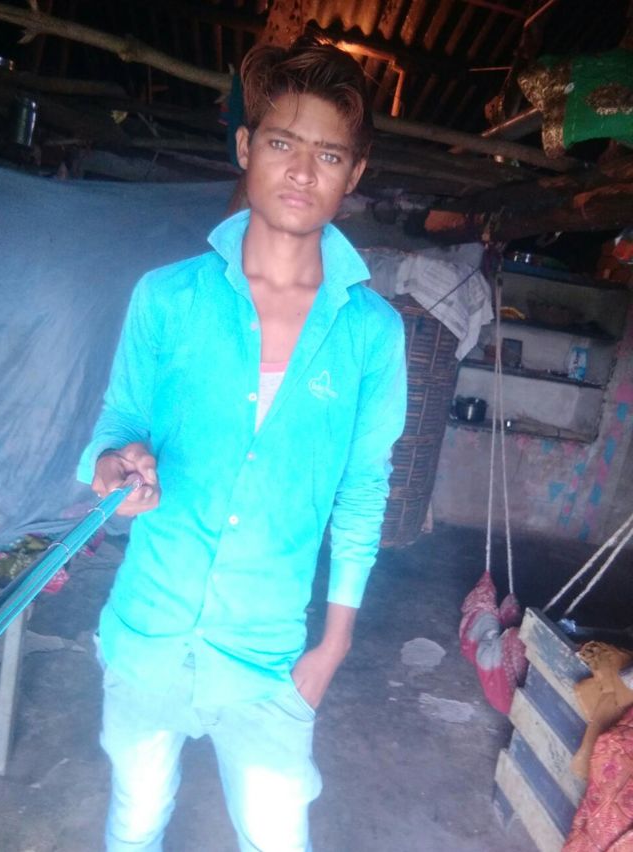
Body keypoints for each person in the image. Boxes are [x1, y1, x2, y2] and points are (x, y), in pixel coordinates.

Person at [78, 35, 407, 852]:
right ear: (245, 148)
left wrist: (334, 644)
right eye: (282, 143)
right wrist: (117, 470)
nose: (302, 171)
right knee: (135, 820)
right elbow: (115, 429)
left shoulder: (371, 333)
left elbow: (363, 489)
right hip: (146, 635)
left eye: (329, 155)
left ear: (354, 174)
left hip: (268, 661)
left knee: (275, 838)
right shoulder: (167, 298)